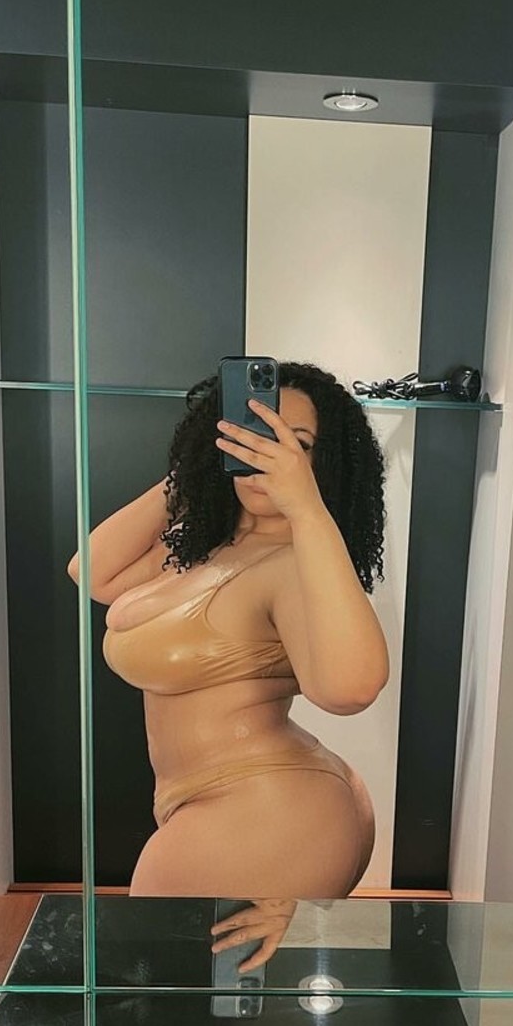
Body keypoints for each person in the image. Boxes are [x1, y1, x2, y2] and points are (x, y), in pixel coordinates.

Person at [69, 361, 388, 899]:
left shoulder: (293, 564)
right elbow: (91, 570)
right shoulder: (204, 547)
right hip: (227, 802)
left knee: (156, 951)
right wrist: (196, 471)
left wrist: (306, 509)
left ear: (326, 464)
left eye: (297, 445)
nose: (266, 456)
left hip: (272, 811)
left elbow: (350, 689)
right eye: (253, 435)